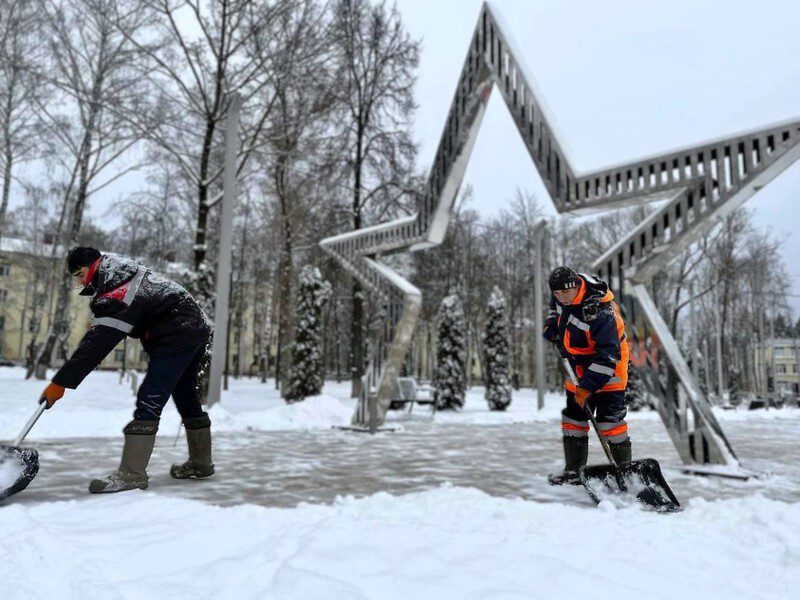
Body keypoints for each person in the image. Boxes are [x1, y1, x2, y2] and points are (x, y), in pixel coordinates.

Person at [39, 247, 215, 493]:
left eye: (79, 274)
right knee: (185, 396)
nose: (79, 281)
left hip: (178, 332)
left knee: (150, 398)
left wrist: (61, 383)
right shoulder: (121, 275)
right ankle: (201, 464)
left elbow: (97, 346)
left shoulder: (116, 287)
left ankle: (132, 475)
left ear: (94, 264)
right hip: (194, 328)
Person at [543, 266, 631, 485]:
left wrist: (587, 388)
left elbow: (609, 355)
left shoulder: (600, 311)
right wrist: (552, 325)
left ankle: (626, 475)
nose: (561, 298)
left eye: (565, 293)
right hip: (577, 366)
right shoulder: (561, 297)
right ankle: (574, 472)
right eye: (556, 294)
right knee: (574, 419)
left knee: (611, 424)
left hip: (609, 366)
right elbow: (555, 310)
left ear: (577, 287)